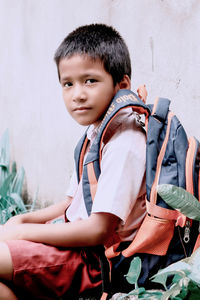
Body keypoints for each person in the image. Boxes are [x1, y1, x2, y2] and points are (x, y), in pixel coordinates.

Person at [0, 24, 146, 299]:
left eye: (90, 81)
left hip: (95, 264)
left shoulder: (125, 140)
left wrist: (22, 234)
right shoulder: (96, 134)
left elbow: (98, 230)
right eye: (68, 84)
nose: (77, 94)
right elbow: (72, 201)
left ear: (122, 85)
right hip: (75, 249)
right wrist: (22, 220)